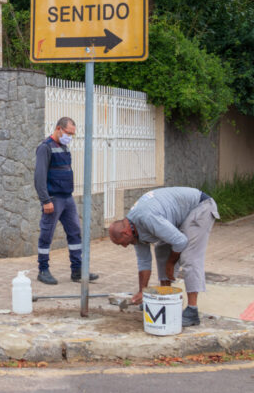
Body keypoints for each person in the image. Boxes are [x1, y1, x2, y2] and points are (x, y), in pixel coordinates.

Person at [108, 187, 219, 327]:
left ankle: (192, 311)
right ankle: (165, 299)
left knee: (190, 257)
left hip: (200, 207)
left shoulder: (146, 218)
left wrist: (170, 264)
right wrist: (143, 291)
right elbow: (143, 261)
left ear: (125, 233)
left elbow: (180, 241)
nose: (124, 246)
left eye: (121, 243)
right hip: (181, 214)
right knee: (161, 249)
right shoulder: (133, 230)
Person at [34, 117, 99, 285]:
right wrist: (45, 200)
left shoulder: (63, 146)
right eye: (68, 133)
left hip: (67, 198)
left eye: (72, 134)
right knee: (47, 234)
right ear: (58, 129)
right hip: (54, 199)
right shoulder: (45, 147)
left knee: (75, 232)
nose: (70, 136)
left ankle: (77, 270)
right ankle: (43, 269)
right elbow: (39, 177)